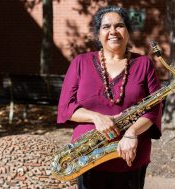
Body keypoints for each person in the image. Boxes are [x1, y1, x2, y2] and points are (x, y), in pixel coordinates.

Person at [57, 5, 162, 189]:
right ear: (98, 34)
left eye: (119, 26)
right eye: (106, 27)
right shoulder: (80, 62)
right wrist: (96, 117)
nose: (113, 31)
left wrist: (131, 133)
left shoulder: (144, 63)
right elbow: (66, 107)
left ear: (128, 32)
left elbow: (154, 108)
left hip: (131, 155)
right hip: (89, 155)